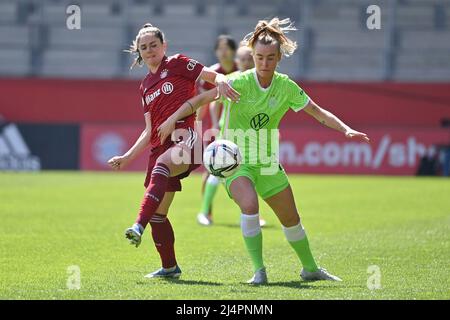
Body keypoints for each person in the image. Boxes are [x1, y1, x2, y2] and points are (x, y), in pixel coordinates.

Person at [157, 17, 370, 284]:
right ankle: (259, 271)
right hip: (235, 163)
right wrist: (172, 120)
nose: (264, 63)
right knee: (249, 205)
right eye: (259, 57)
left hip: (268, 163)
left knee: (291, 219)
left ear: (279, 57)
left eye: (270, 58)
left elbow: (318, 112)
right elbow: (198, 100)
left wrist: (346, 129)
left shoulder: (286, 86)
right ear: (252, 56)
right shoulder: (238, 82)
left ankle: (310, 268)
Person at [107, 23, 239, 279]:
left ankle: (137, 225)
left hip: (185, 138)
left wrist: (223, 81)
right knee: (159, 215)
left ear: (163, 46)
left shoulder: (178, 63)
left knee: (162, 168)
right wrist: (126, 157)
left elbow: (214, 76)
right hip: (160, 147)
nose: (149, 51)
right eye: (143, 47)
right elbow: (149, 131)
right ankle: (170, 267)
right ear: (138, 51)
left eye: (153, 45)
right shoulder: (145, 86)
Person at [197, 43, 267, 227]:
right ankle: (204, 212)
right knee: (216, 173)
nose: (245, 62)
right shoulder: (230, 80)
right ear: (237, 61)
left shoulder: (260, 82)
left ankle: (251, 214)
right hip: (228, 134)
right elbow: (213, 102)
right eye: (242, 59)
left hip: (251, 136)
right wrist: (215, 124)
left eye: (248, 59)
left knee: (251, 174)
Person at [196, 35, 238, 225]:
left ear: (234, 51)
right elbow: (205, 102)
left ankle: (253, 213)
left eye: (227, 48)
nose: (224, 51)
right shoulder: (211, 74)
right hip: (219, 128)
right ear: (216, 52)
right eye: (220, 48)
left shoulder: (242, 70)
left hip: (241, 128)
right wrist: (198, 126)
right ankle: (206, 213)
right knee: (211, 169)